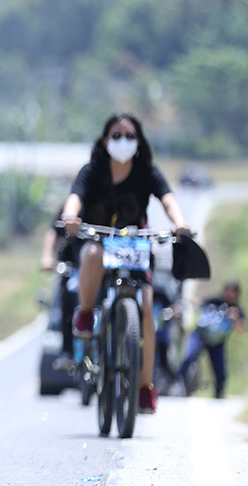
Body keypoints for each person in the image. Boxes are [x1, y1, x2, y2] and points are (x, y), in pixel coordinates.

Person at [60, 111, 191, 415]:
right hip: (100, 240)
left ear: (139, 141)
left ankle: (144, 386)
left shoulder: (147, 171)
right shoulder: (92, 170)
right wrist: (70, 217)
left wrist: (180, 223)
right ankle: (87, 313)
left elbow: (168, 199)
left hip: (135, 245)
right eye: (117, 135)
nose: (123, 141)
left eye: (130, 136)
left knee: (146, 308)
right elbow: (75, 198)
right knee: (90, 255)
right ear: (105, 141)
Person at [177, 281, 246, 398]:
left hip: (217, 342)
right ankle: (177, 384)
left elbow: (241, 329)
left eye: (232, 292)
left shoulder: (237, 310)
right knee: (189, 358)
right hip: (200, 335)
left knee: (220, 370)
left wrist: (235, 319)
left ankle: (219, 394)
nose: (229, 294)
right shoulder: (215, 301)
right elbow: (198, 303)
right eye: (228, 290)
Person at [40, 209, 78, 374]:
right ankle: (67, 351)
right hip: (72, 265)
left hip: (101, 264)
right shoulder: (67, 207)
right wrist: (47, 256)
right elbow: (53, 233)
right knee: (67, 297)